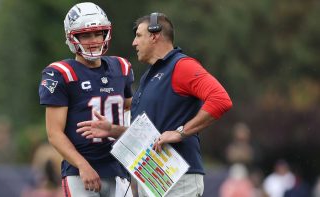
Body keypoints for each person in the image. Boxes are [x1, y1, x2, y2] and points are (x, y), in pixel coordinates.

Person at [77, 13, 233, 197]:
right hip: (153, 177)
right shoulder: (149, 76)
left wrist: (180, 132)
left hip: (178, 178)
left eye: (139, 35)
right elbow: (151, 134)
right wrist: (112, 129)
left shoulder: (181, 66)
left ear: (154, 35)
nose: (134, 43)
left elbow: (220, 99)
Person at [38, 2, 134, 197]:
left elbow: (132, 113)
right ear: (72, 37)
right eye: (86, 35)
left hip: (118, 169)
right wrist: (83, 165)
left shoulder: (121, 68)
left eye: (98, 33)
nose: (93, 40)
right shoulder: (61, 74)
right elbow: (54, 133)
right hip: (81, 172)